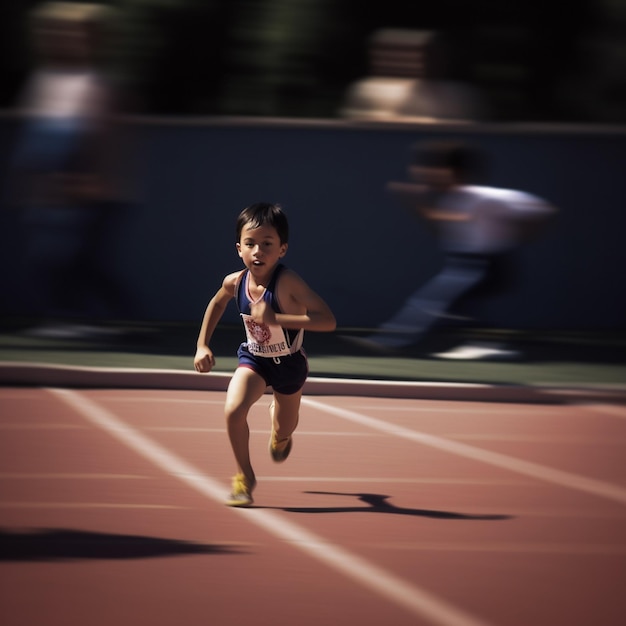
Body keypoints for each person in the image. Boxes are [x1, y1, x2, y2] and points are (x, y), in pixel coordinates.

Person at [353, 140, 556, 359]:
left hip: (488, 264)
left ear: (454, 172)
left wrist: (517, 237)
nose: (427, 177)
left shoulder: (484, 195)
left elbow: (544, 210)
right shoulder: (456, 199)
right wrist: (418, 203)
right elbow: (442, 224)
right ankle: (484, 342)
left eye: (434, 170)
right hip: (466, 262)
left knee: (431, 302)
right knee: (450, 304)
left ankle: (393, 341)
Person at [194, 203, 336, 507]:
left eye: (267, 244)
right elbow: (217, 304)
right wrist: (202, 344)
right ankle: (244, 476)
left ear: (282, 249)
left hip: (290, 365)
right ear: (239, 248)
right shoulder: (235, 282)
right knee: (233, 410)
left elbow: (328, 320)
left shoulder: (288, 283)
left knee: (285, 426)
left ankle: (280, 432)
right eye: (250, 243)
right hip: (254, 359)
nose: (258, 251)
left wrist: (277, 319)